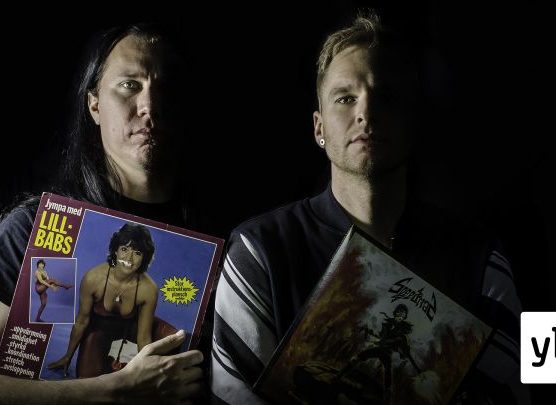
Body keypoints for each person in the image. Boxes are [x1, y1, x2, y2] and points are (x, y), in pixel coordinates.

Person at [211, 11, 528, 405]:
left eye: (387, 97)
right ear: (319, 128)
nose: (366, 113)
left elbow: (516, 393)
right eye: (345, 98)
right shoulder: (258, 250)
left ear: (413, 122)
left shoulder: (479, 256)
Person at [0, 24, 203, 404]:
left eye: (164, 88)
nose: (150, 105)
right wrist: (117, 389)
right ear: (94, 105)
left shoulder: (221, 244)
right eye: (129, 85)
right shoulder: (31, 230)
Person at [47, 223, 173, 377]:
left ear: (144, 258)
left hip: (129, 333)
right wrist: (68, 356)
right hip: (98, 333)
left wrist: (144, 370)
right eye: (124, 249)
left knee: (172, 337)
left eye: (137, 253)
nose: (129, 258)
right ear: (115, 250)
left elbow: (143, 337)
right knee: (87, 378)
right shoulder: (94, 278)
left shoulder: (148, 289)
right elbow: (82, 321)